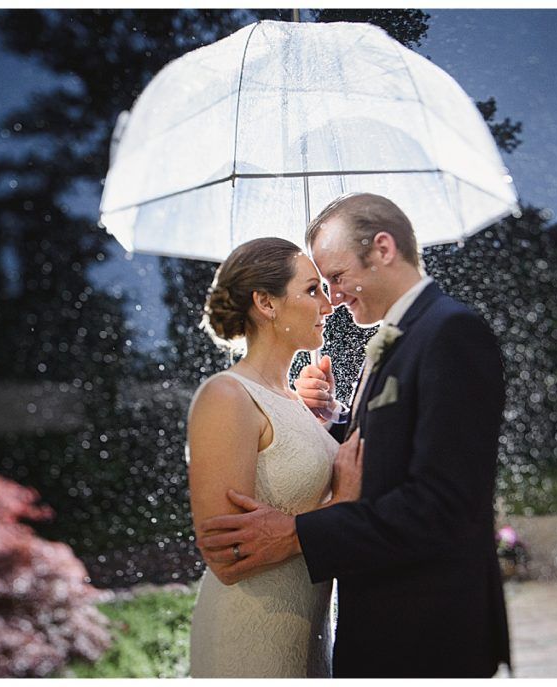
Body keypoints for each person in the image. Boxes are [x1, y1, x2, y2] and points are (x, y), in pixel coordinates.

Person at [196, 193, 511, 677]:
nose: (334, 298)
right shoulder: (400, 338)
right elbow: (384, 450)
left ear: (383, 249)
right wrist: (329, 422)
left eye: (337, 278)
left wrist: (300, 532)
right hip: (367, 628)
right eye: (319, 286)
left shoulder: (449, 332)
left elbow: (444, 503)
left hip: (427, 632)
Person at [186, 237, 363, 678]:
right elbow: (227, 558)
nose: (329, 303)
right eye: (312, 290)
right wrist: (341, 505)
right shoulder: (225, 396)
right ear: (266, 303)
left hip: (307, 634)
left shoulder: (292, 398)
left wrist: (321, 420)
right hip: (250, 637)